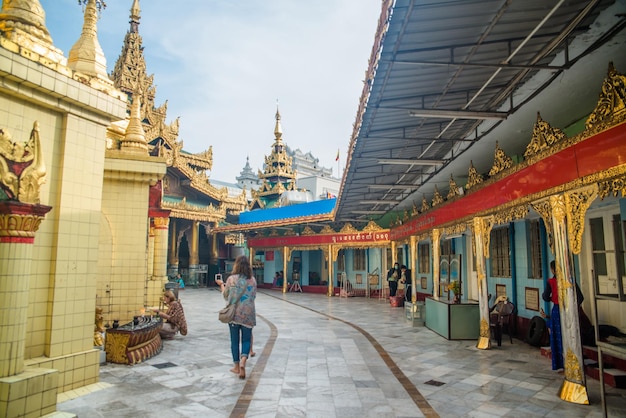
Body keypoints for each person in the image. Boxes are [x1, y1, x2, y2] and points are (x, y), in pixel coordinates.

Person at [216, 255, 257, 379]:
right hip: (248, 314)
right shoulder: (252, 280)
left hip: (234, 314)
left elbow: (225, 295)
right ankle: (244, 360)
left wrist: (221, 285)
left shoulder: (231, 279)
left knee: (234, 341)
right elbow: (253, 296)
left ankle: (237, 366)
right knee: (246, 339)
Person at [542, 260, 563, 371]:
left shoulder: (551, 281)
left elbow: (545, 297)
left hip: (557, 310)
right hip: (569, 311)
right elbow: (580, 297)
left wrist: (553, 298)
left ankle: (560, 364)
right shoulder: (569, 280)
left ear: (553, 269)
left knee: (556, 337)